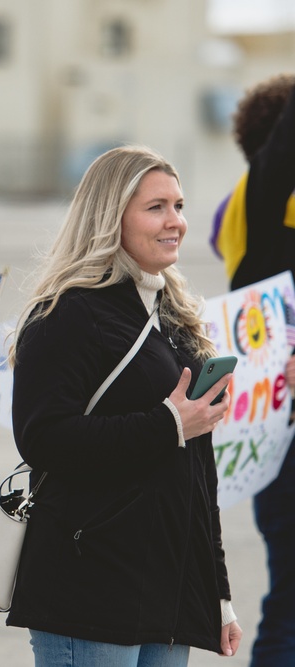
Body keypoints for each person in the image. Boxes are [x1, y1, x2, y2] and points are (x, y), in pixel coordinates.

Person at [6, 145, 242, 666]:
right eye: (156, 207)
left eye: (178, 206)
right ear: (111, 215)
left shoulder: (174, 319)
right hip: (90, 588)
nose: (175, 221)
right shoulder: (68, 312)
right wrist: (168, 423)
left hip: (168, 593)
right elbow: (43, 438)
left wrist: (217, 593)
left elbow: (197, 474)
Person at [209, 73, 295, 667]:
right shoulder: (264, 200)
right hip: (284, 429)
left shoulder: (238, 209)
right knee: (290, 608)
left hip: (271, 430)